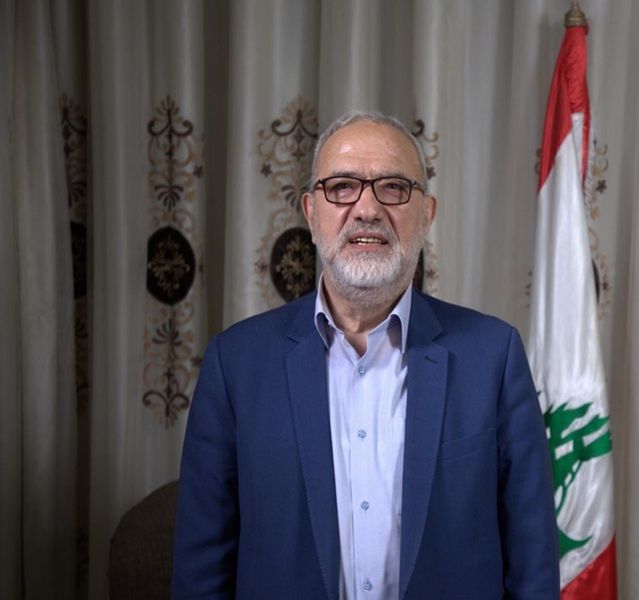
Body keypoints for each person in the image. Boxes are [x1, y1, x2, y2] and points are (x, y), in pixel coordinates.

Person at [172, 110, 559, 599]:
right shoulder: (235, 365)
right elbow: (201, 573)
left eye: (393, 188)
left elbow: (533, 568)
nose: (367, 209)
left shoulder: (494, 358)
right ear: (311, 213)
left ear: (427, 214)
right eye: (342, 187)